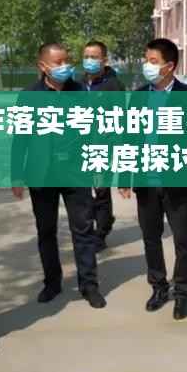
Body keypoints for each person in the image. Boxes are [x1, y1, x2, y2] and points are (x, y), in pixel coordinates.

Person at [11, 43, 106, 308]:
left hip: (76, 172)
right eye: (58, 62)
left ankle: (89, 285)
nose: (65, 66)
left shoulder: (80, 92)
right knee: (46, 231)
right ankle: (52, 283)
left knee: (83, 229)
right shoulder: (29, 96)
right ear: (43, 66)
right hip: (42, 173)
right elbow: (20, 138)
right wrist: (16, 175)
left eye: (67, 60)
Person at [118, 39, 187, 321]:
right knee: (151, 239)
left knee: (183, 240)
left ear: (169, 66)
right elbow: (129, 137)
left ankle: (183, 292)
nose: (147, 65)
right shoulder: (139, 96)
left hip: (177, 182)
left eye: (153, 61)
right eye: (146, 60)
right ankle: (158, 287)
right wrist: (124, 176)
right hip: (147, 182)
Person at [81, 40, 125, 252]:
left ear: (104, 60)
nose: (89, 60)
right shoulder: (77, 84)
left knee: (100, 190)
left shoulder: (113, 85)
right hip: (79, 147)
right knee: (82, 192)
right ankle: (101, 221)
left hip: (102, 147)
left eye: (94, 57)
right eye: (86, 56)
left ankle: (101, 233)